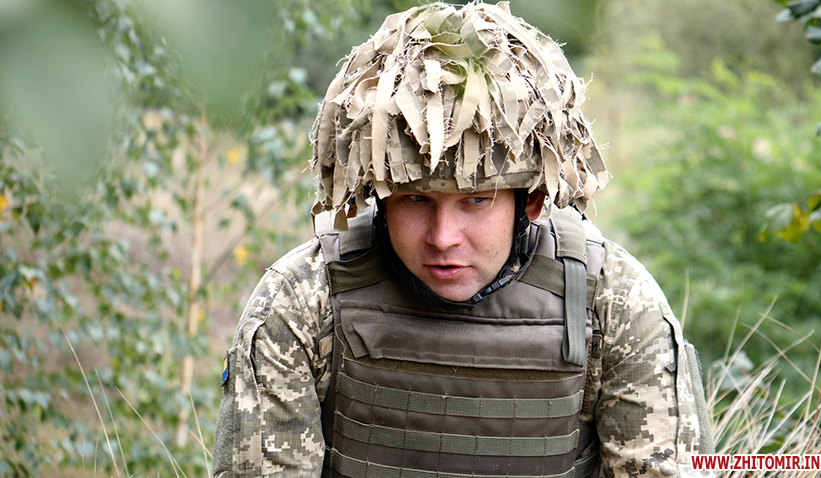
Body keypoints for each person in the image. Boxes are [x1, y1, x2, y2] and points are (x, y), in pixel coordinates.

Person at [212, 2, 714, 477]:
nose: (443, 238)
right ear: (379, 198)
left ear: (532, 202)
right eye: (416, 200)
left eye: (476, 201)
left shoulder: (612, 301)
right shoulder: (305, 299)